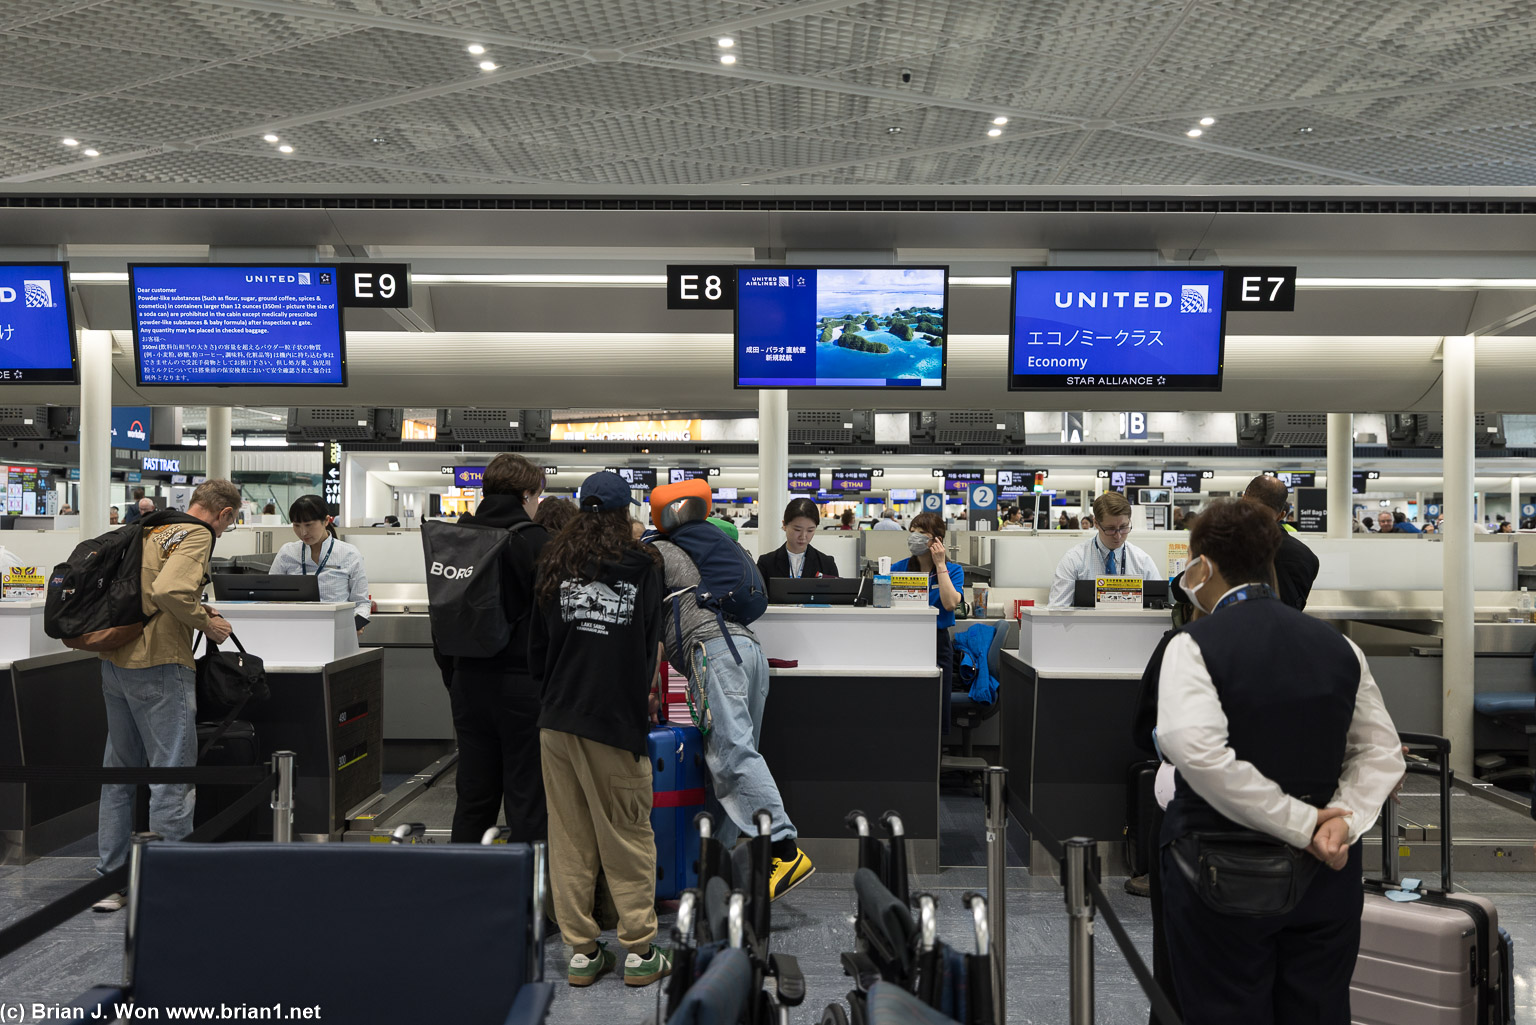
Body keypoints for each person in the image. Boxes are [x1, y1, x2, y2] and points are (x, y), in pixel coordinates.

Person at [1156, 499, 1405, 1025]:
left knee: (1224, 1010)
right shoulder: (1340, 647)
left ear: (1204, 567)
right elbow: (1380, 750)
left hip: (1220, 874)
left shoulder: (1192, 645)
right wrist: (1342, 822)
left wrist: (1303, 822)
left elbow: (1196, 750)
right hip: (1328, 874)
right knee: (1318, 1009)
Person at [530, 471, 670, 988]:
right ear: (623, 513)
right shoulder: (643, 565)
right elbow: (650, 644)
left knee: (569, 837)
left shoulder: (554, 562)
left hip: (558, 719)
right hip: (613, 722)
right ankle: (640, 951)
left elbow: (536, 650)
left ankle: (583, 953)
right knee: (627, 834)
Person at [646, 480, 814, 900]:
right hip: (747, 651)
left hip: (714, 653)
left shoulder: (658, 551)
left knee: (732, 756)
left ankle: (783, 848)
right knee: (727, 763)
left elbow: (649, 625)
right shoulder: (709, 544)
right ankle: (713, 872)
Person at [92, 479, 241, 912]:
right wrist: (206, 623)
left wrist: (194, 608)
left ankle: (111, 882)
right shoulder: (198, 533)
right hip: (159, 663)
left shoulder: (151, 527)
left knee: (119, 776)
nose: (225, 529)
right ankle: (169, 885)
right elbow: (169, 591)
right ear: (224, 514)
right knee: (171, 777)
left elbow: (148, 590)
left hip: (115, 659)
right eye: (229, 523)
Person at [431, 454, 551, 845]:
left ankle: (465, 879)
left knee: (473, 796)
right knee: (526, 798)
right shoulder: (537, 542)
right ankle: (525, 882)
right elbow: (550, 622)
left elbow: (442, 614)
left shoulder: (455, 539)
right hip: (523, 687)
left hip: (467, 682)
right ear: (526, 494)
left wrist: (454, 676)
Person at [891, 512, 964, 724]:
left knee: (936, 705)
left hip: (937, 643)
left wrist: (940, 565)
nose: (914, 536)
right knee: (905, 705)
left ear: (937, 540)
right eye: (912, 531)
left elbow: (950, 604)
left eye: (922, 532)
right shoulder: (899, 568)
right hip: (903, 641)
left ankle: (937, 742)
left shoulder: (953, 571)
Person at [270, 495, 371, 635]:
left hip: (337, 631)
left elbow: (362, 602)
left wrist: (355, 624)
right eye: (296, 525)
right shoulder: (287, 553)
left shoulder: (349, 554)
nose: (303, 532)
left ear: (326, 521)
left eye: (308, 525)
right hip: (294, 631)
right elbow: (269, 596)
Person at [1048, 492, 1160, 608]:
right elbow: (1057, 608)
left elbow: (1160, 606)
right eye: (1110, 529)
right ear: (1096, 523)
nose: (1118, 536)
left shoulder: (1142, 561)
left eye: (1123, 527)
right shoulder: (1074, 560)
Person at [1242, 475, 1320, 611]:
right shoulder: (1307, 557)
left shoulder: (1223, 544)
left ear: (1243, 500)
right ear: (1281, 515)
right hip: (1287, 622)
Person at [757, 498, 838, 580]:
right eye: (797, 530)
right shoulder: (766, 563)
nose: (803, 536)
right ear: (784, 525)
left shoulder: (826, 564)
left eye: (810, 530)